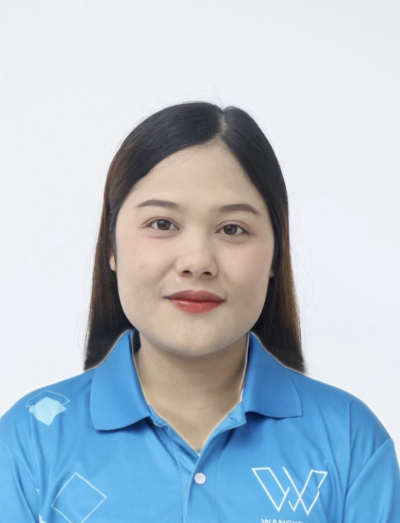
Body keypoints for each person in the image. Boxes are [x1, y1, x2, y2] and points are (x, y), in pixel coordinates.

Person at [0, 101, 399, 522]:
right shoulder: (28, 442)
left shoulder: (351, 441)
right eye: (162, 224)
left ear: (275, 256)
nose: (196, 261)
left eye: (232, 229)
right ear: (111, 247)